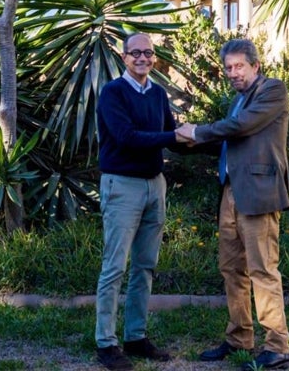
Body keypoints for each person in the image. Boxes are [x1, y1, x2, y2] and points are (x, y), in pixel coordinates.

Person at [177, 38, 289, 370]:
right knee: (231, 269)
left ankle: (277, 345)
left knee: (262, 269)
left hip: (258, 192)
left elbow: (242, 128)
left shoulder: (273, 90)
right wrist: (183, 141)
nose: (233, 73)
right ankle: (240, 337)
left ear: (256, 65)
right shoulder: (237, 101)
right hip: (230, 191)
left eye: (239, 66)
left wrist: (197, 130)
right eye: (228, 68)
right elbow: (230, 142)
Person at [94, 33, 185, 370]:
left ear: (154, 56)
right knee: (114, 267)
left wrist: (213, 137)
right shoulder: (112, 93)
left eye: (148, 52)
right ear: (124, 56)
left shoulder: (158, 93)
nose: (142, 58)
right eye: (136, 53)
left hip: (154, 186)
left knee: (144, 266)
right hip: (122, 186)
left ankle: (135, 337)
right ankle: (106, 343)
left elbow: (171, 138)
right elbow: (126, 138)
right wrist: (174, 135)